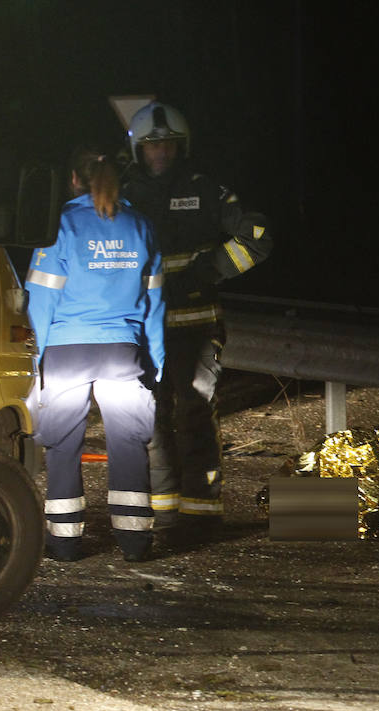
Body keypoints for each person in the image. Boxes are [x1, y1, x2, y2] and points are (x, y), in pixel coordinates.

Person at [119, 100, 273, 548]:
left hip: (197, 328)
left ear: (180, 147)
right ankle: (165, 513)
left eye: (167, 145)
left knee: (194, 416)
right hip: (144, 328)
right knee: (150, 419)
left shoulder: (206, 191)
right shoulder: (124, 194)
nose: (160, 153)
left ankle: (203, 514)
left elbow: (257, 237)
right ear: (137, 152)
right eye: (152, 147)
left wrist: (207, 271)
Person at [25, 147, 166, 563]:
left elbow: (40, 301)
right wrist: (156, 359)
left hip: (66, 351)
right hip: (123, 352)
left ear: (72, 180)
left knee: (63, 446)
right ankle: (136, 542)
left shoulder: (60, 227)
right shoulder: (141, 226)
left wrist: (34, 362)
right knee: (129, 445)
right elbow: (155, 303)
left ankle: (65, 542)